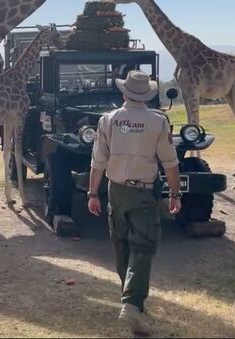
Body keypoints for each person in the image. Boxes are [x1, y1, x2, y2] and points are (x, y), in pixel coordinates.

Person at [88, 70, 182, 335]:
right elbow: (170, 163)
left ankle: (131, 300)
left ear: (123, 93)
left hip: (115, 191)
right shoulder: (158, 122)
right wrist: (175, 194)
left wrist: (92, 194)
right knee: (143, 246)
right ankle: (132, 303)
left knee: (121, 244)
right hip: (143, 192)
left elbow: (98, 162)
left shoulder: (108, 120)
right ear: (148, 95)